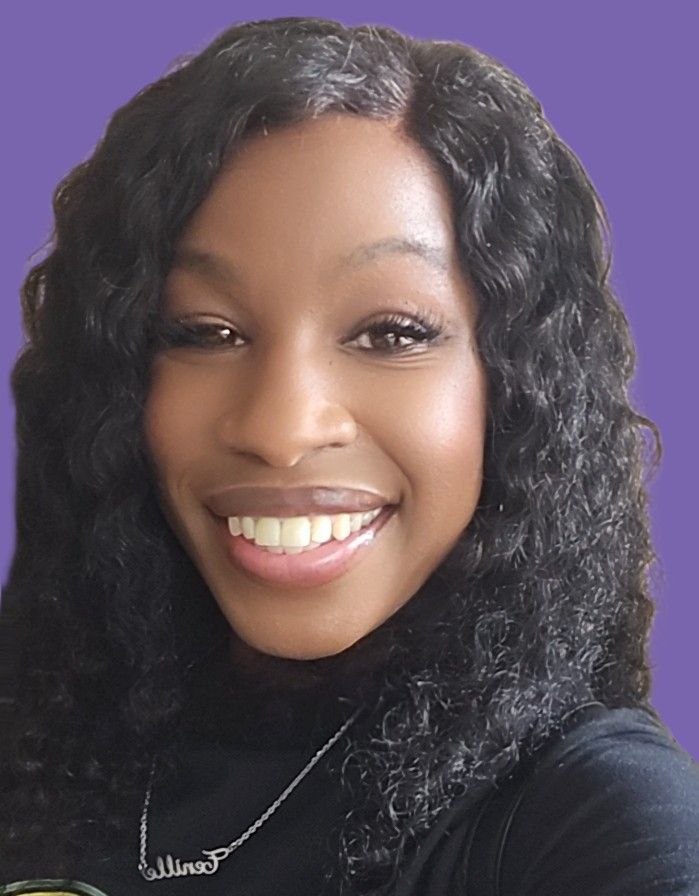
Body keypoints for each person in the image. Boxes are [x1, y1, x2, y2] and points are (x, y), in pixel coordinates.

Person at [1, 14, 697, 896]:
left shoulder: (590, 818)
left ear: (518, 390)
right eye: (205, 331)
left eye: (390, 332)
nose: (280, 428)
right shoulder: (39, 738)